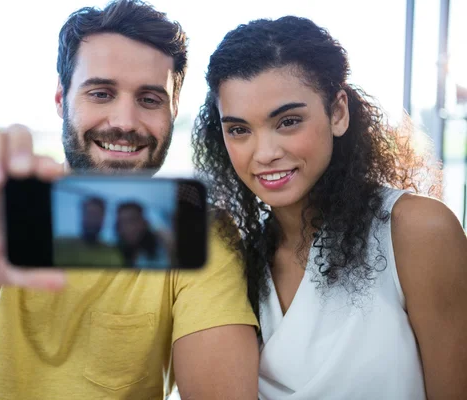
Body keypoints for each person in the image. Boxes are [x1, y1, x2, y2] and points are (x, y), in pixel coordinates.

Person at [0, 1, 259, 399]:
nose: (124, 121)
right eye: (101, 93)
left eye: (149, 99)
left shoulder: (194, 231)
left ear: (174, 109)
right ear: (61, 98)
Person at [192, 16, 467, 400]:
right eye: (239, 130)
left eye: (288, 121)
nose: (265, 154)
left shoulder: (416, 231)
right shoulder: (238, 260)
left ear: (337, 113)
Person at [54, 196, 124, 266]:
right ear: (82, 216)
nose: (92, 220)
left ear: (103, 219)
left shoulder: (111, 253)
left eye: (96, 215)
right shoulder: (61, 245)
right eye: (89, 214)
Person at [114, 201, 172, 268]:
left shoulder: (161, 248)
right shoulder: (115, 252)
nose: (128, 227)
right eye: (122, 222)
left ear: (144, 222)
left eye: (132, 220)